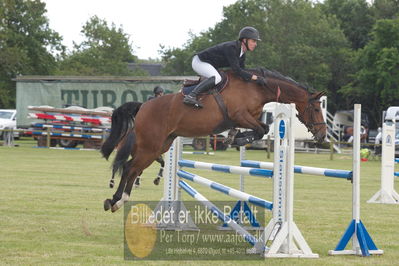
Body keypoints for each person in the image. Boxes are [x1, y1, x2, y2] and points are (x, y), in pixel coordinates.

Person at [183, 26, 267, 108]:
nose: (255, 44)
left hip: (208, 64)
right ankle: (191, 96)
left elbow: (242, 73)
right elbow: (237, 70)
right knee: (217, 78)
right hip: (199, 61)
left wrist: (255, 82)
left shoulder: (242, 54)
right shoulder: (232, 48)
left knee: (219, 78)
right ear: (245, 40)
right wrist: (255, 78)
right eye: (253, 41)